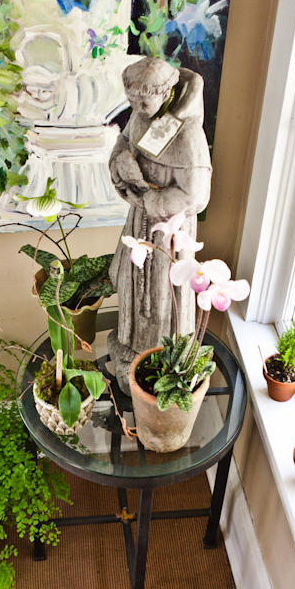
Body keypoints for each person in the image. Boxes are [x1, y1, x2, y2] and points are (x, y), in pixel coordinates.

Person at [108, 57, 212, 393]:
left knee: (163, 295)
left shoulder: (187, 134)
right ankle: (130, 344)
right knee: (130, 284)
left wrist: (152, 201)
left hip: (170, 230)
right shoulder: (140, 117)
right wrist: (120, 166)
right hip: (138, 221)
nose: (138, 108)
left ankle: (165, 359)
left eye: (145, 101)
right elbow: (124, 143)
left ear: (166, 93)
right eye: (132, 101)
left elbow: (196, 196)